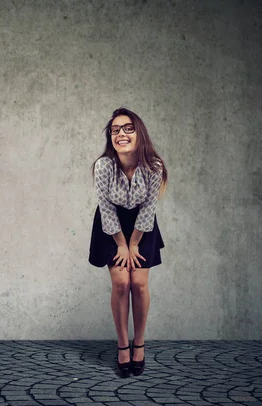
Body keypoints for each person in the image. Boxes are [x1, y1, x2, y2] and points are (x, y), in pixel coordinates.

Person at [88, 107, 168, 377]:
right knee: (122, 282)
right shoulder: (103, 166)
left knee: (139, 283)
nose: (120, 134)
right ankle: (123, 346)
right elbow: (106, 209)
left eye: (127, 128)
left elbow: (148, 209)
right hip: (111, 227)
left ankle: (139, 344)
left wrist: (134, 243)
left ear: (139, 134)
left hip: (142, 227)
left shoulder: (153, 166)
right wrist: (121, 244)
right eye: (114, 130)